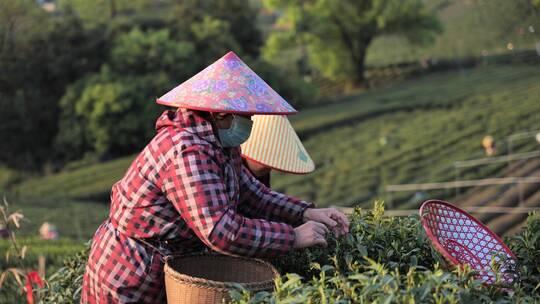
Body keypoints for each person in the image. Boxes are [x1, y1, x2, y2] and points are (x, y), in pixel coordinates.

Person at [81, 51, 349, 303]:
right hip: (129, 273)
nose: (250, 123)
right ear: (221, 114)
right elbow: (221, 231)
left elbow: (251, 193)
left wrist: (305, 213)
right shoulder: (187, 150)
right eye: (245, 116)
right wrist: (292, 237)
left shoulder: (219, 143)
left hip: (163, 263)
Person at [241, 115, 315, 187]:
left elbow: (264, 195)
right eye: (265, 152)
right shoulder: (233, 169)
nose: (270, 166)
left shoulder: (263, 175)